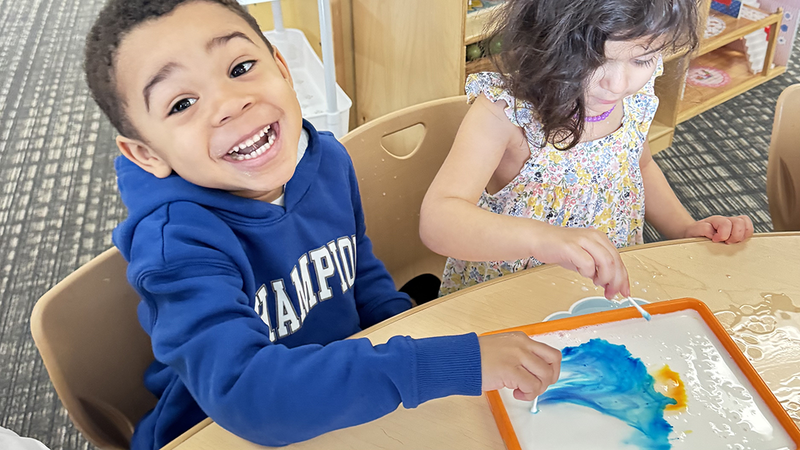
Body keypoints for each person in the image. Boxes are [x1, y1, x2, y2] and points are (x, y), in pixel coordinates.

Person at [83, 1, 562, 449]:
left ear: (282, 68)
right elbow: (246, 392)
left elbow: (361, 276)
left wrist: (415, 336)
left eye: (240, 68)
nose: (230, 103)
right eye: (181, 103)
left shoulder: (327, 159)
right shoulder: (176, 246)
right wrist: (435, 365)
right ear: (146, 154)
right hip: (226, 428)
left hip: (354, 390)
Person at [420, 0, 754, 298]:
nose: (618, 84)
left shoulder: (635, 97)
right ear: (544, 42)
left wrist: (684, 227)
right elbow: (438, 220)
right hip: (510, 293)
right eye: (595, 60)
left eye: (642, 60)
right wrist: (543, 238)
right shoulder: (505, 113)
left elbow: (639, 166)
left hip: (600, 286)